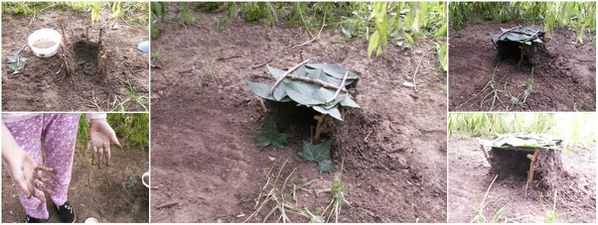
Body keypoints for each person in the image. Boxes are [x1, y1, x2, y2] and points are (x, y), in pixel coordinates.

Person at [1, 113, 121, 223]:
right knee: (26, 174)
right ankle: (34, 212)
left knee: (62, 162)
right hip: (13, 118)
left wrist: (97, 116)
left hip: (64, 113)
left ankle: (60, 199)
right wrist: (10, 149)